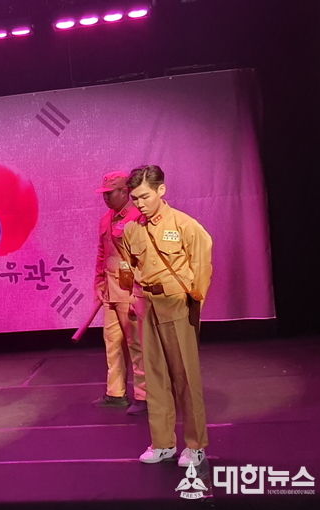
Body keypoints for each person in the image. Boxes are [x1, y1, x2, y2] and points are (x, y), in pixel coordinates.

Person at [120, 165, 212, 467]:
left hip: (175, 303)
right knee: (155, 376)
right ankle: (162, 443)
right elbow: (128, 264)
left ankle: (195, 445)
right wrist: (131, 294)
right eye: (135, 198)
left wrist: (194, 299)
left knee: (185, 376)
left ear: (161, 190)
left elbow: (202, 261)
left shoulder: (184, 225)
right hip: (147, 304)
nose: (139, 203)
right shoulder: (132, 229)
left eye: (145, 196)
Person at [93, 171, 147, 415]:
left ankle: (144, 395)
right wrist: (98, 282)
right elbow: (102, 254)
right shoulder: (106, 219)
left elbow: (142, 258)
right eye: (103, 194)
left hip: (129, 288)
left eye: (110, 193)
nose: (105, 198)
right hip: (110, 290)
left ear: (125, 191)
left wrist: (138, 291)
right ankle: (115, 393)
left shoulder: (138, 217)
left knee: (136, 343)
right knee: (112, 342)